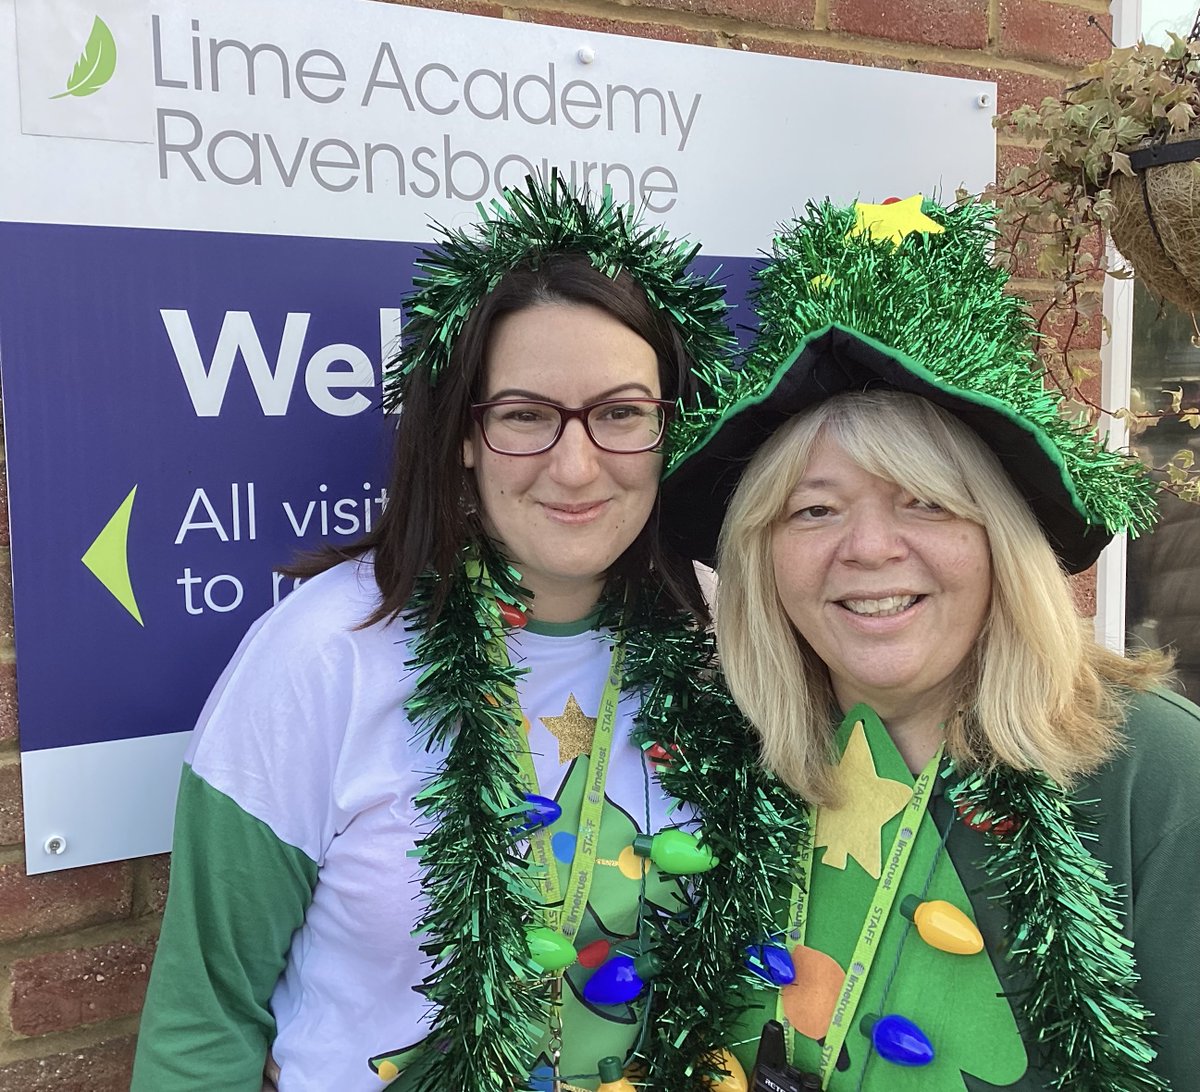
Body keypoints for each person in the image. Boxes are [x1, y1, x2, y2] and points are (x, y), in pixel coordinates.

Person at [130, 176, 801, 1092]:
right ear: (463, 437)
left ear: (668, 427)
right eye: (525, 416)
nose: (576, 465)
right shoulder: (324, 653)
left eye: (620, 414)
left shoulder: (727, 634)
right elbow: (203, 1023)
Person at [661, 196, 1200, 1091]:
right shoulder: (726, 769)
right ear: (763, 557)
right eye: (815, 509)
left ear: (1001, 538)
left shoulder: (1157, 773)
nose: (869, 548)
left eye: (926, 501)